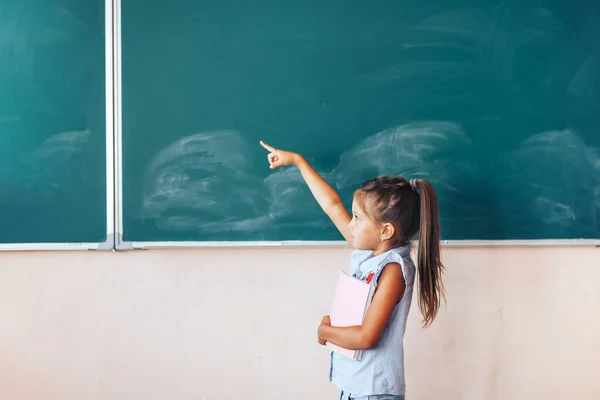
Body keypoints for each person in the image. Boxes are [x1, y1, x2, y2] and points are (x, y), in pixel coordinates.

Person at [259, 141, 446, 400]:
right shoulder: (371, 253)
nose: (351, 224)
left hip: (373, 392)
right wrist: (298, 162)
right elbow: (332, 205)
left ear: (385, 231)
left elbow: (366, 336)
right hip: (356, 388)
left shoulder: (393, 269)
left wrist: (326, 333)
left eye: (357, 218)